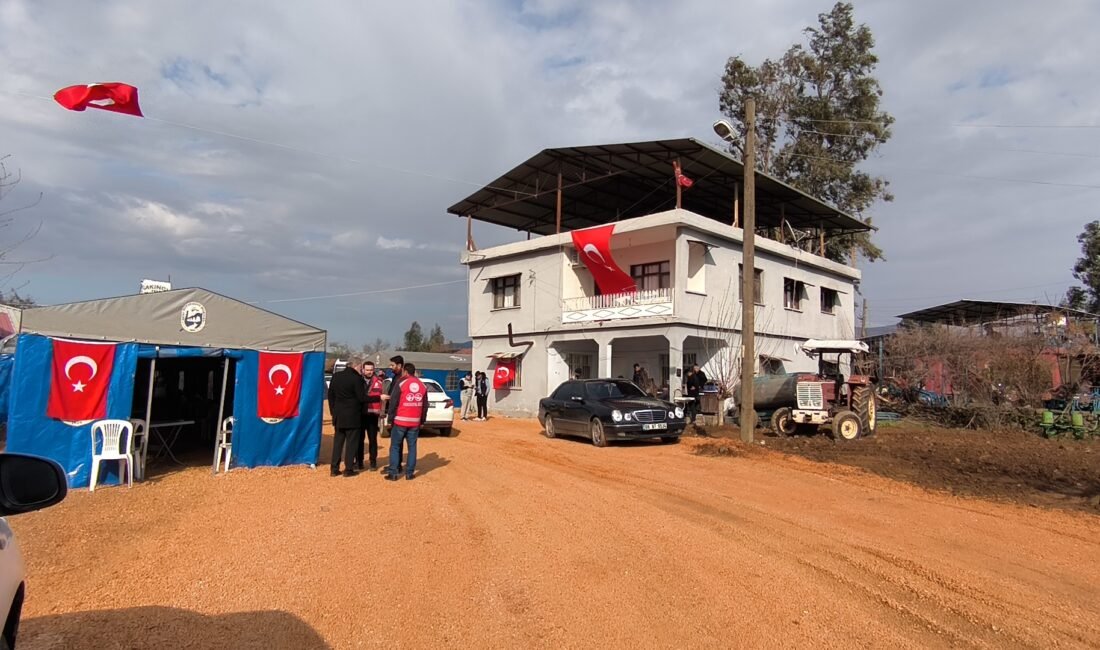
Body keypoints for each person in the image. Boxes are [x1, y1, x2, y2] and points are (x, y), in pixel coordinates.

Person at [385, 362, 428, 481]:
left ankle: (393, 473)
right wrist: (422, 420)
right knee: (412, 447)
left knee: (395, 447)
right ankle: (409, 473)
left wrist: (390, 419)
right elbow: (425, 406)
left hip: (400, 421)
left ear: (405, 371)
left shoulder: (401, 383)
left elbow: (393, 402)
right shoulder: (422, 385)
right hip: (415, 422)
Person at [327, 356, 366, 477]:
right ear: (356, 365)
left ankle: (334, 468)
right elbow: (362, 398)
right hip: (353, 416)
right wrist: (377, 398)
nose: (361, 369)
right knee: (351, 443)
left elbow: (331, 396)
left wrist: (333, 412)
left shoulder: (336, 376)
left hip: (339, 415)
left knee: (338, 442)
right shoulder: (357, 379)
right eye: (361, 367)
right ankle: (348, 469)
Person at [381, 355, 405, 472]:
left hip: (398, 414)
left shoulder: (401, 379)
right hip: (395, 412)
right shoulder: (396, 377)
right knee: (397, 442)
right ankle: (396, 464)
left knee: (396, 442)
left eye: (392, 365)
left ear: (399, 365)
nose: (390, 367)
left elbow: (397, 397)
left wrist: (388, 398)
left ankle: (395, 467)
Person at [360, 361, 386, 470]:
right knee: (359, 440)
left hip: (373, 415)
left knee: (372, 440)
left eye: (371, 370)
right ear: (363, 370)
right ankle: (359, 462)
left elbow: (383, 398)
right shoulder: (358, 381)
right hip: (360, 414)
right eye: (367, 370)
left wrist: (382, 412)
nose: (369, 372)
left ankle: (373, 462)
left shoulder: (379, 382)